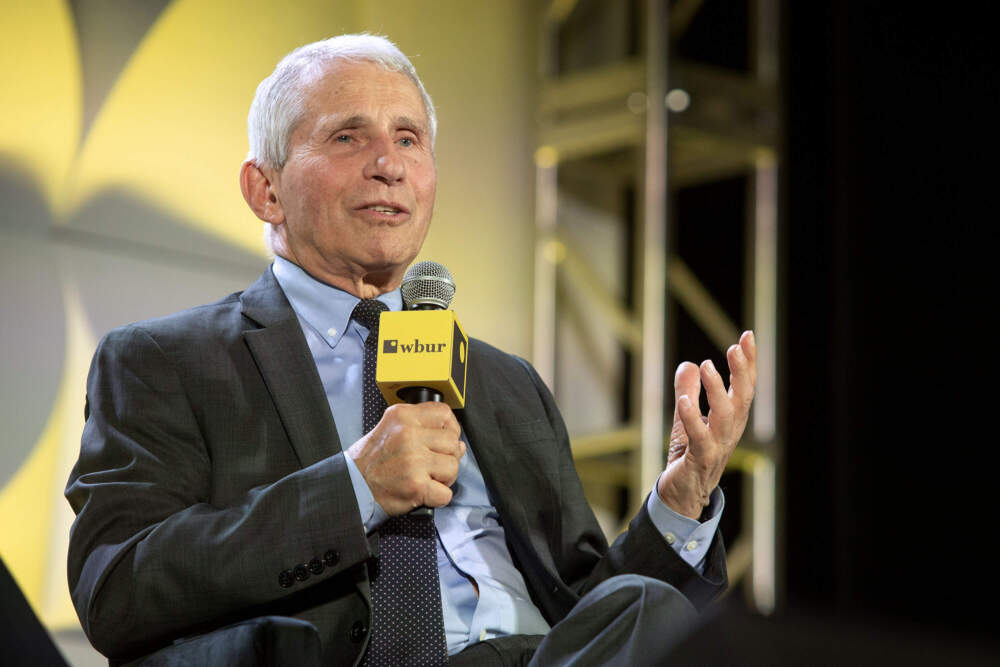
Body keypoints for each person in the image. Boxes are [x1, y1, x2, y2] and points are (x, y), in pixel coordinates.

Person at [66, 34, 756, 666]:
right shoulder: (166, 361)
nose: (387, 166)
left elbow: (591, 612)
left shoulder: (506, 382)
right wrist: (354, 487)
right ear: (266, 189)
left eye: (408, 139)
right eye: (346, 137)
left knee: (657, 612)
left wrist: (680, 501)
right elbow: (116, 588)